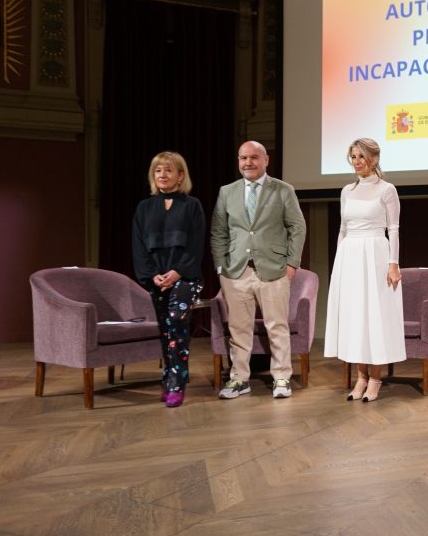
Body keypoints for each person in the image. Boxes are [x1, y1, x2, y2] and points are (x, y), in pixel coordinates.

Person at [210, 140, 307, 399]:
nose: (248, 163)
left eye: (254, 157)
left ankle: (282, 377)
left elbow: (297, 227)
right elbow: (218, 231)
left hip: (273, 269)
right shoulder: (226, 191)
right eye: (243, 158)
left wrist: (291, 264)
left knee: (277, 326)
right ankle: (239, 379)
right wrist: (221, 266)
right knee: (239, 329)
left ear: (266, 160)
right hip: (236, 271)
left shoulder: (283, 190)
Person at [325, 138, 406, 402]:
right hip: (350, 256)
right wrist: (339, 263)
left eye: (361, 156)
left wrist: (393, 264)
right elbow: (343, 229)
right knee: (355, 317)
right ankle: (360, 377)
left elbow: (393, 229)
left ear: (373, 158)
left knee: (375, 317)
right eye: (353, 157)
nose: (357, 162)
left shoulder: (386, 189)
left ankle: (375, 379)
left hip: (375, 255)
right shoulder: (347, 190)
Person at [131, 151, 205, 408]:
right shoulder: (144, 207)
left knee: (176, 323)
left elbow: (196, 245)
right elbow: (138, 246)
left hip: (185, 277)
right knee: (164, 330)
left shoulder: (191, 205)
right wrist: (153, 275)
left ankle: (177, 383)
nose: (162, 175)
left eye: (169, 170)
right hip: (156, 278)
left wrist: (177, 273)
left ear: (180, 175)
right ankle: (168, 377)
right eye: (158, 170)